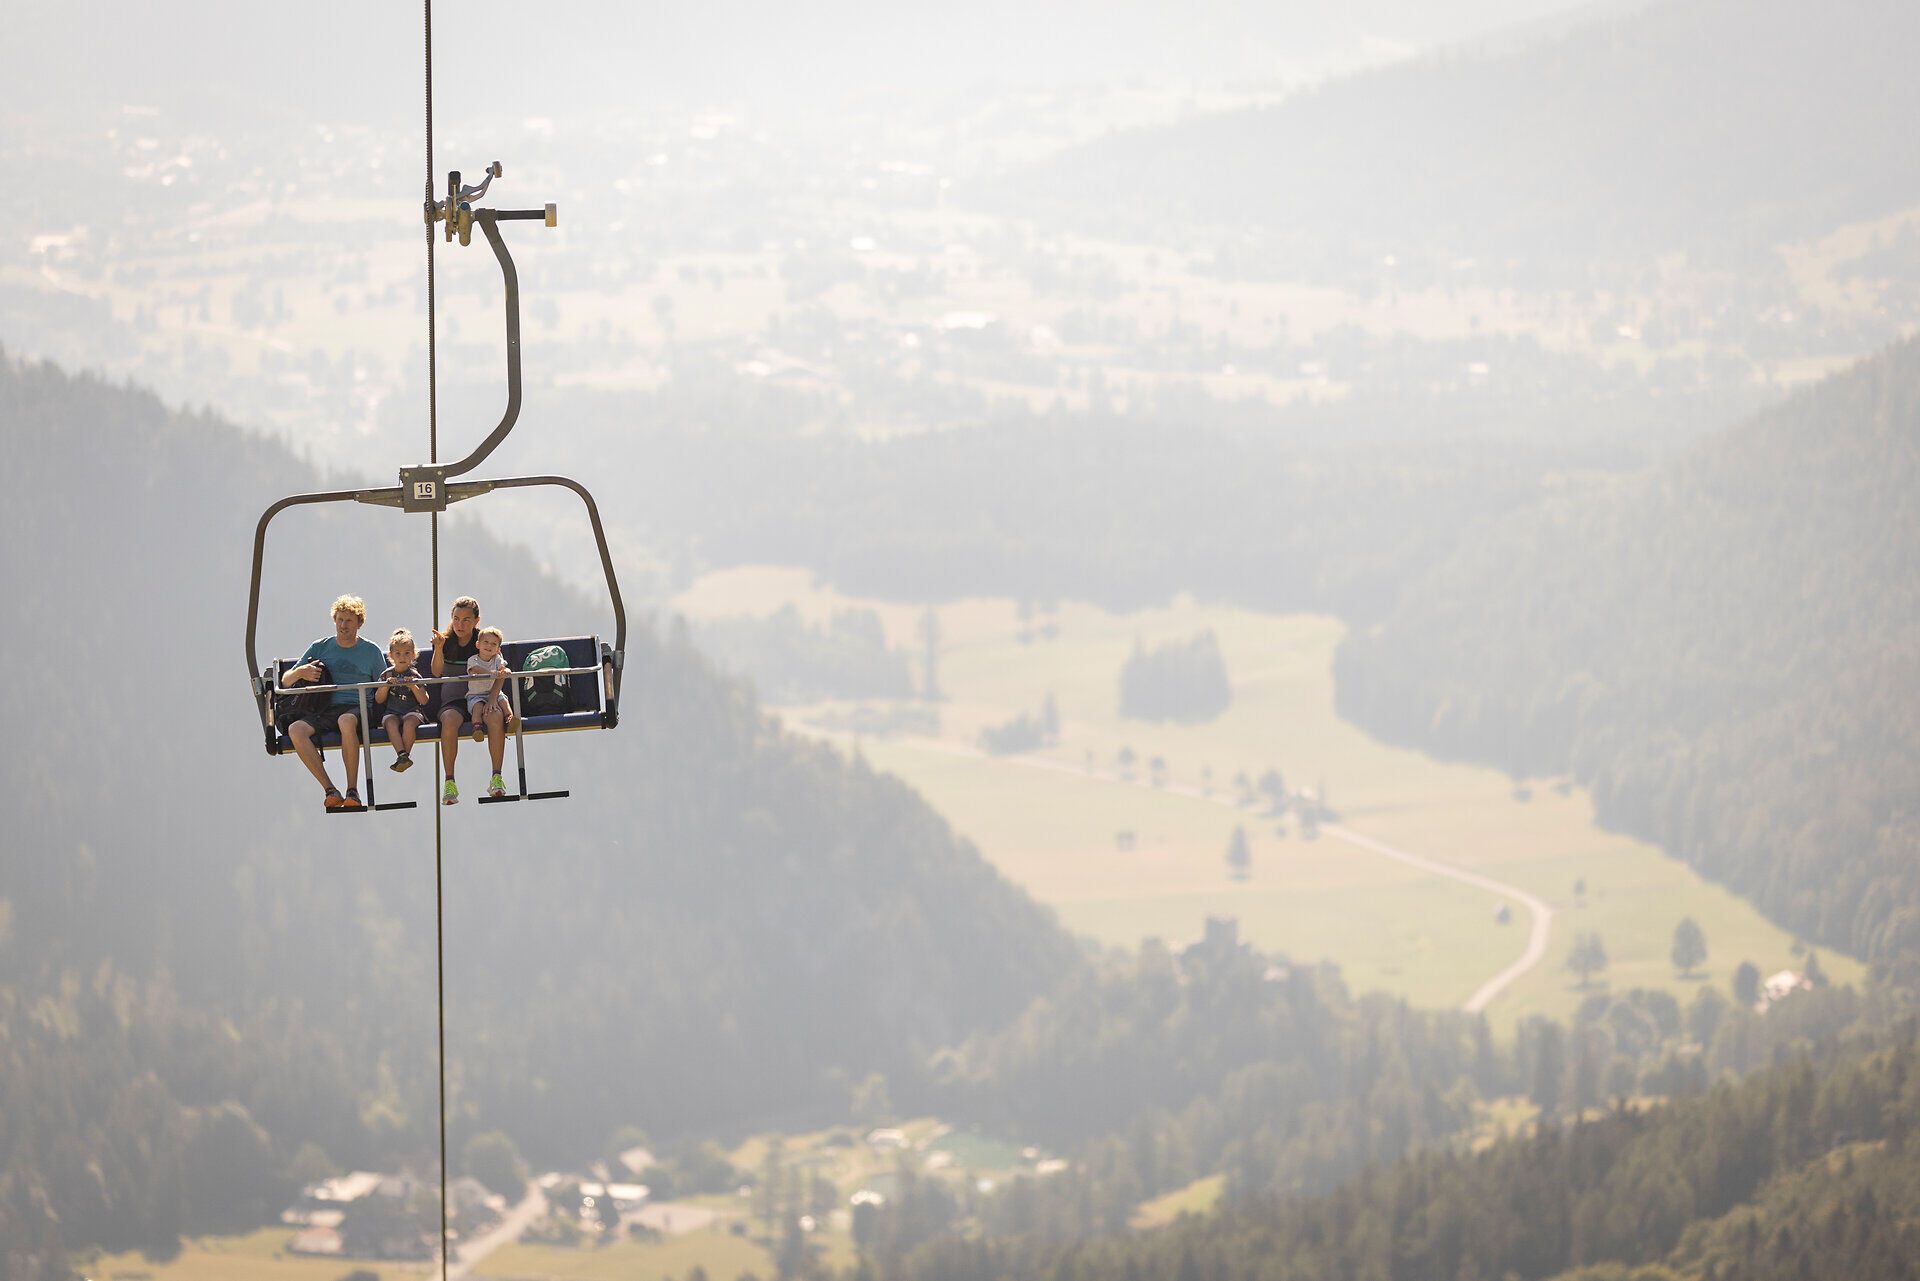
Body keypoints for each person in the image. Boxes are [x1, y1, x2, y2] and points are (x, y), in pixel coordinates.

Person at [282, 594, 387, 810]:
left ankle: (352, 790)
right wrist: (302, 671)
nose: (343, 625)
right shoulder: (320, 647)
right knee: (296, 730)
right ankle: (330, 790)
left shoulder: (371, 651)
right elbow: (285, 680)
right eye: (339, 620)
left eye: (348, 620)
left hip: (357, 707)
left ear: (359, 623)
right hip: (324, 707)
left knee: (346, 721)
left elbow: (382, 686)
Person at [430, 595, 510, 804]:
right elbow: (437, 673)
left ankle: (497, 776)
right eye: (456, 619)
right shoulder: (445, 642)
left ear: (476, 620)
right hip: (456, 700)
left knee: (494, 717)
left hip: (483, 697)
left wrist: (493, 698)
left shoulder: (484, 641)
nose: (460, 624)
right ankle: (449, 781)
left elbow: (499, 673)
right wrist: (438, 649)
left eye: (466, 619)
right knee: (448, 720)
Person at [465, 626, 514, 799]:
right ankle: (477, 726)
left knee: (503, 700)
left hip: (494, 694)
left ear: (498, 649)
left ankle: (509, 718)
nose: (489, 646)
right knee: (477, 707)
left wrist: (503, 671)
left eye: (493, 644)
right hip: (477, 694)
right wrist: (490, 673)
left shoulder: (497, 659)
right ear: (478, 644)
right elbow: (475, 671)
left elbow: (503, 670)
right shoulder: (474, 660)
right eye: (485, 642)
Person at [375, 628, 431, 773]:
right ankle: (402, 754)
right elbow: (379, 699)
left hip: (412, 710)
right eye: (398, 653)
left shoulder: (414, 675)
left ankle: (404, 756)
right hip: (392, 711)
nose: (402, 657)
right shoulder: (386, 674)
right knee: (390, 723)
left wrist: (412, 686)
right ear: (391, 655)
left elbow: (424, 700)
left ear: (413, 655)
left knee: (409, 723)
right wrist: (386, 686)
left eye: (407, 653)